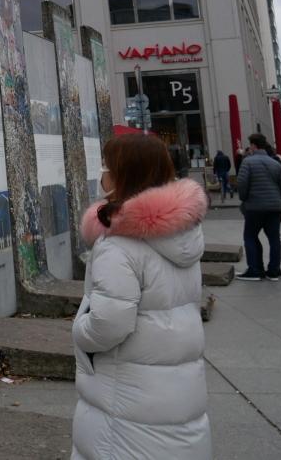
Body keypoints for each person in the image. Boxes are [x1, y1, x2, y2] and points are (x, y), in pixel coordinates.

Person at [72, 134, 210, 459]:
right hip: (177, 385)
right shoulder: (183, 233)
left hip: (127, 388)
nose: (101, 176)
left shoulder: (118, 244)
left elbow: (109, 323)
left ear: (124, 174)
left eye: (105, 167)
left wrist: (80, 331)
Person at [236, 132, 281, 281]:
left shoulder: (248, 162)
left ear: (253, 145)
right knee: (274, 238)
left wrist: (244, 198)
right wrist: (280, 201)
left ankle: (255, 269)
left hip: (255, 206)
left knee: (250, 236)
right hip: (274, 206)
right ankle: (274, 270)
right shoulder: (275, 163)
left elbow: (242, 184)